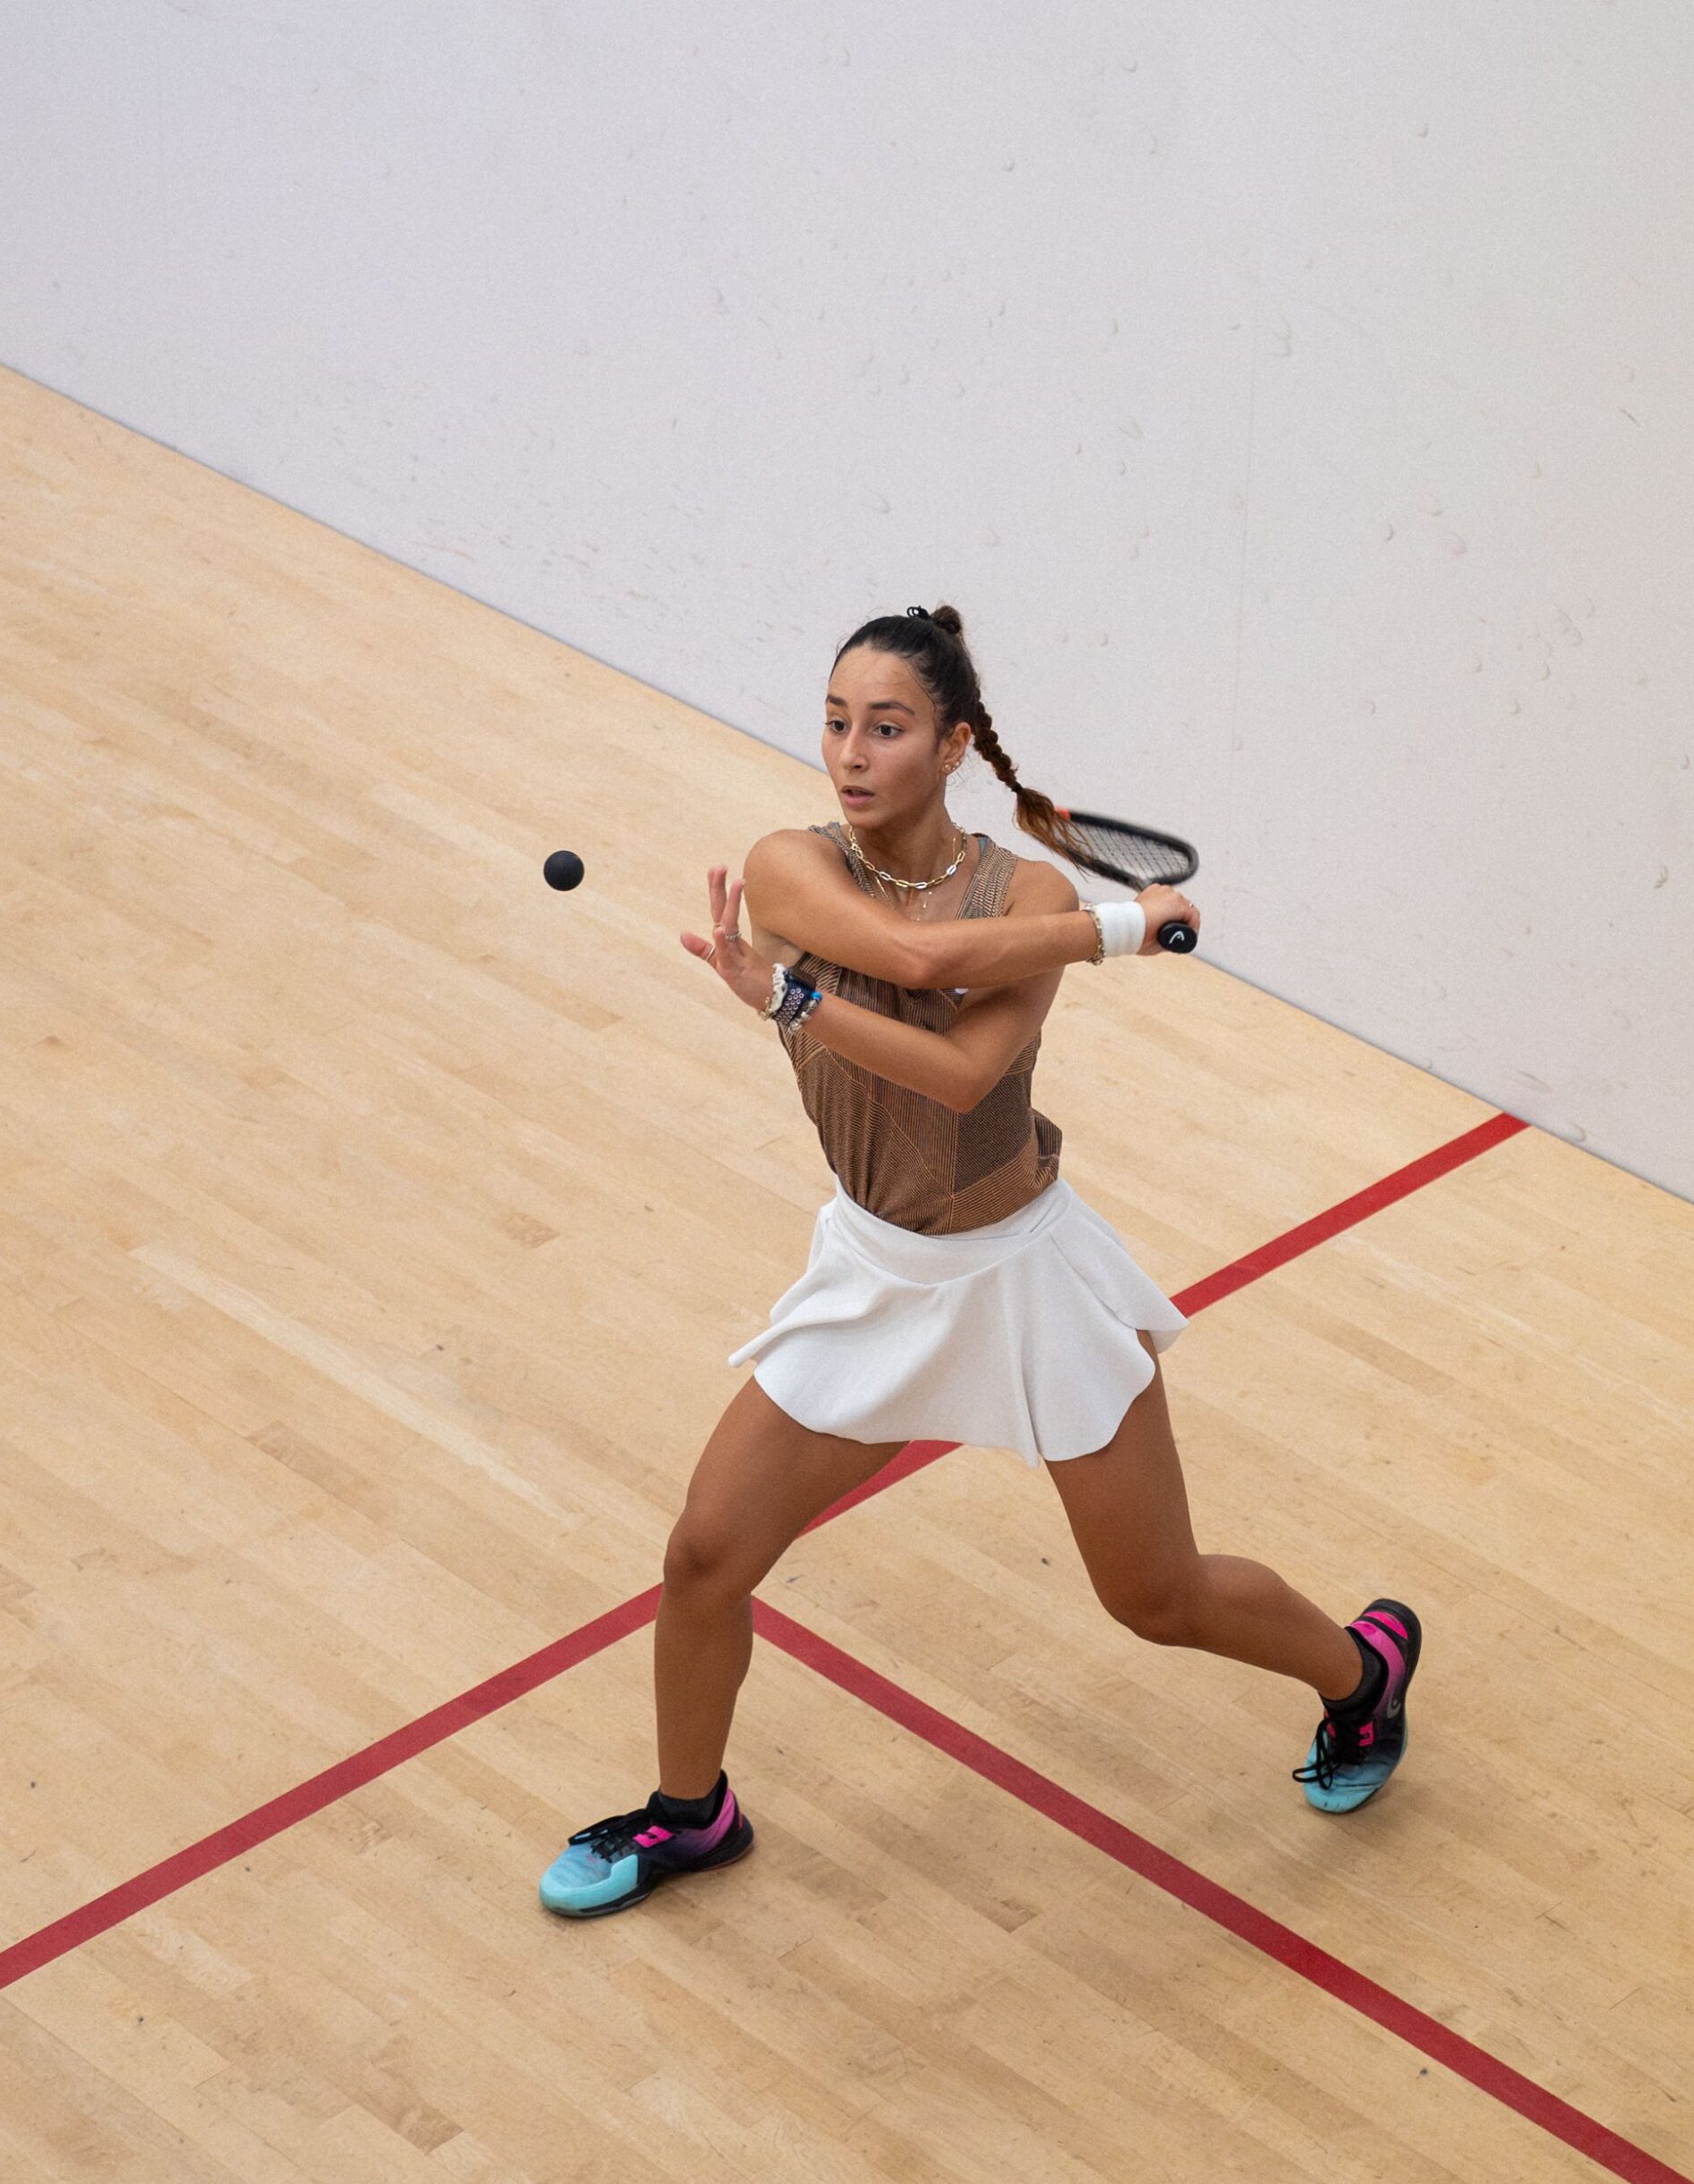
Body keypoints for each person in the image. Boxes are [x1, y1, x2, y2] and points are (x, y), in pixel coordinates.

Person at [538, 604, 1419, 1919]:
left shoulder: (1031, 893)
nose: (850, 751)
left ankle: (1362, 1677)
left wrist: (818, 990)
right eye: (836, 721)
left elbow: (959, 1072)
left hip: (1024, 1275)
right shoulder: (789, 866)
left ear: (952, 744)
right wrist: (1124, 933)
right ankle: (689, 1815)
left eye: (886, 728)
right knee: (704, 1557)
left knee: (1157, 1598)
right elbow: (904, 959)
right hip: (874, 1278)